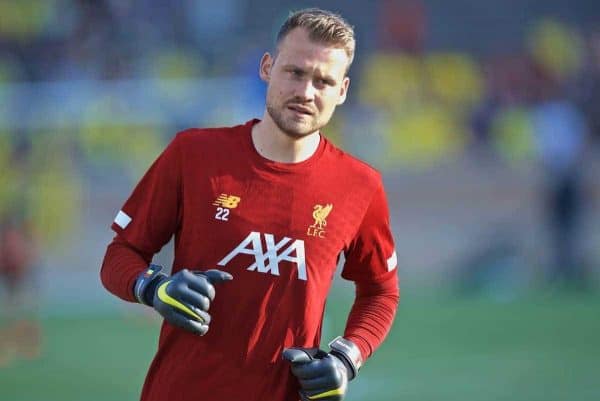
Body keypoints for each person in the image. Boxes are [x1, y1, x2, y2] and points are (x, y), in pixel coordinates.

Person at [100, 8, 399, 401]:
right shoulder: (193, 154)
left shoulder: (360, 186)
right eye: (295, 72)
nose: (306, 92)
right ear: (267, 68)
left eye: (323, 81)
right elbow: (120, 255)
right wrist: (154, 289)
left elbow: (381, 292)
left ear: (341, 91)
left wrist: (347, 358)